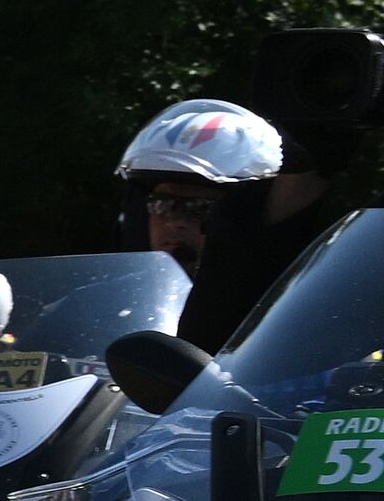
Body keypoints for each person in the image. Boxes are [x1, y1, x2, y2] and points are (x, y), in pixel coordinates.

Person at [117, 97, 307, 343]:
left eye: (199, 208)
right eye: (162, 204)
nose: (174, 223)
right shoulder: (109, 304)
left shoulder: (274, 317)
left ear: (241, 219)